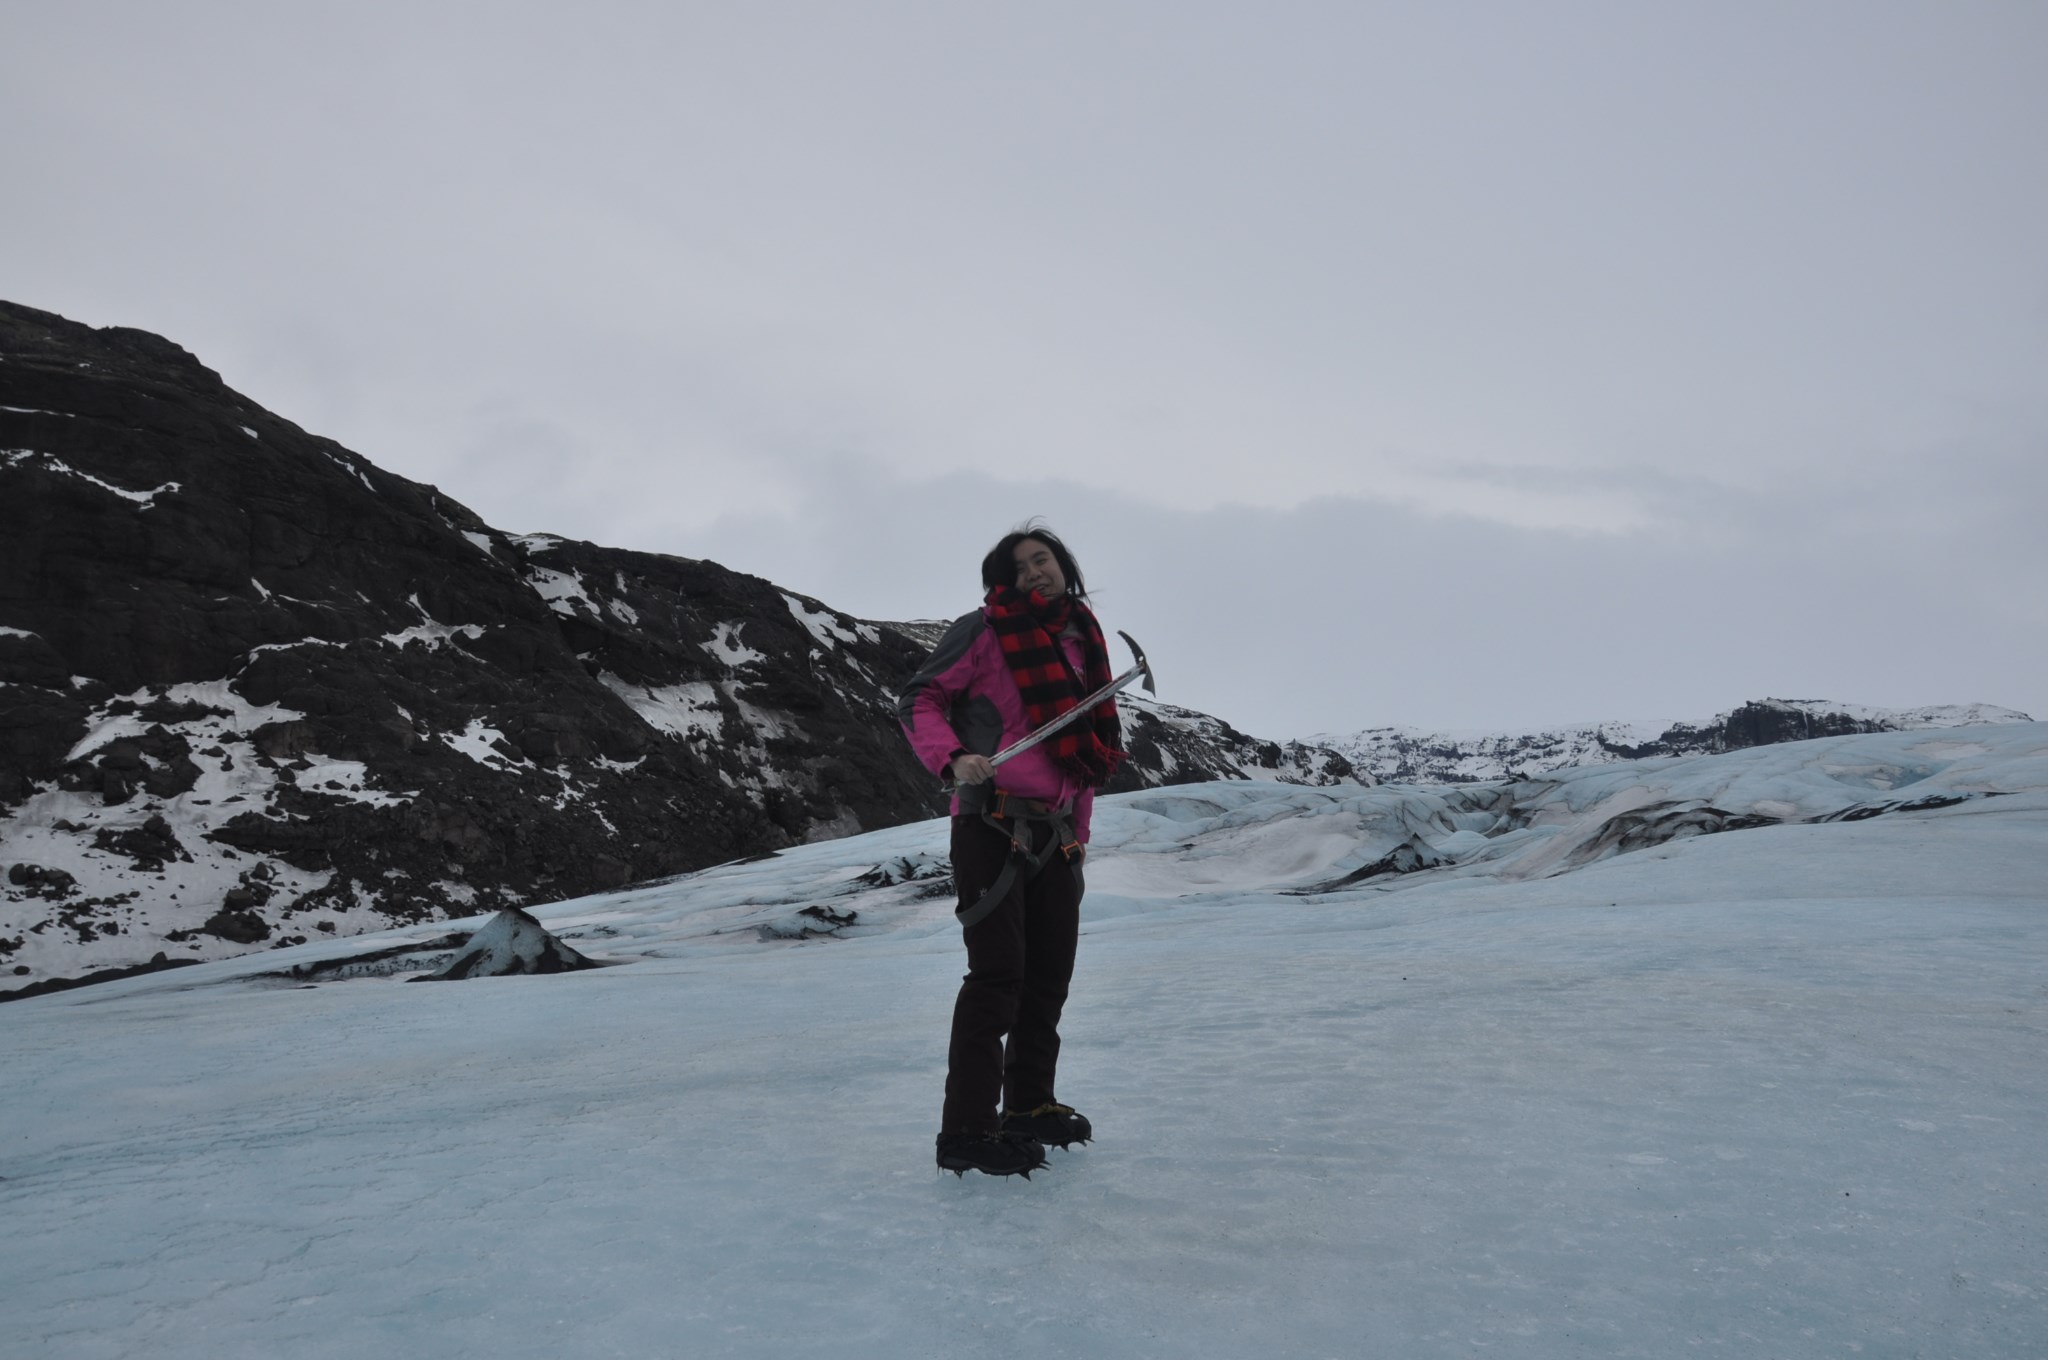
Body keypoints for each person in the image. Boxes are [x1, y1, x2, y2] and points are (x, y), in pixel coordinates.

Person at [897, 523, 1126, 1177]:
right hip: (990, 824)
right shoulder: (984, 631)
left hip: (1056, 835)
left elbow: (1084, 759)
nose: (1033, 572)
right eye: (1018, 566)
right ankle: (966, 1129)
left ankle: (1027, 1105)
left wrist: (1078, 836)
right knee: (998, 977)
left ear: (1064, 566)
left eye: (1042, 559)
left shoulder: (1084, 648)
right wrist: (955, 758)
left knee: (1047, 980)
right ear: (1002, 582)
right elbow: (920, 699)